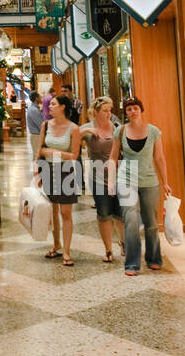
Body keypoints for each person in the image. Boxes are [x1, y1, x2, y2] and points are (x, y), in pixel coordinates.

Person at [108, 97, 172, 275]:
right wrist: (111, 182)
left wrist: (165, 182)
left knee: (151, 223)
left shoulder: (153, 132)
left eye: (135, 108)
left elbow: (159, 158)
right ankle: (132, 264)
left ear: (141, 110)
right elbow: (113, 158)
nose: (132, 112)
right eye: (129, 109)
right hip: (126, 181)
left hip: (149, 182)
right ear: (126, 113)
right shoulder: (120, 132)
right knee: (131, 222)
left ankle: (153, 258)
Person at [34, 93, 81, 266]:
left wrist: (54, 152)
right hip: (47, 169)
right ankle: (56, 244)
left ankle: (67, 251)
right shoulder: (45, 125)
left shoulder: (74, 129)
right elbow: (39, 150)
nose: (49, 107)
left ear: (63, 107)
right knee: (52, 211)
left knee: (65, 213)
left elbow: (74, 156)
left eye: (53, 104)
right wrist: (36, 170)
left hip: (65, 170)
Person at [80, 96, 124, 264]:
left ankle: (123, 242)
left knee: (120, 214)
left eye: (110, 110)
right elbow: (72, 137)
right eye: (105, 110)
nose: (109, 113)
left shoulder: (117, 128)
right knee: (104, 214)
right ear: (96, 112)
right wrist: (86, 132)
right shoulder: (87, 128)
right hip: (97, 178)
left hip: (118, 176)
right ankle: (108, 249)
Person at [26, 90, 44, 160]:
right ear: (36, 98)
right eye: (40, 97)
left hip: (37, 135)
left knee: (37, 156)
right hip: (36, 136)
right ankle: (37, 170)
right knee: (37, 157)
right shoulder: (34, 110)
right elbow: (40, 125)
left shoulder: (35, 109)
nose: (41, 98)